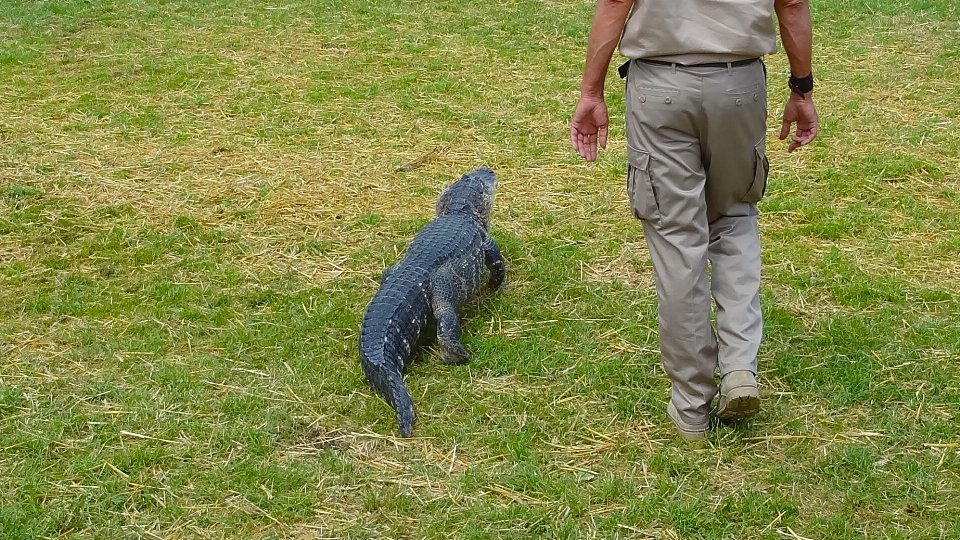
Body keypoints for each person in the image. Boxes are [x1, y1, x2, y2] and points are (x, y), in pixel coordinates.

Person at [570, 0, 819, 440]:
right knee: (736, 217)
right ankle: (739, 366)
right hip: (739, 85)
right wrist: (802, 88)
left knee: (677, 238)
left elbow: (614, 3)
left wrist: (592, 91)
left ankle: (691, 406)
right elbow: (793, 4)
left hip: (659, 86)